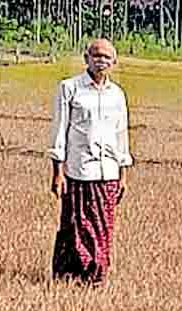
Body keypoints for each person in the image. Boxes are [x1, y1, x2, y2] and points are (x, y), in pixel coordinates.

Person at [47, 38, 133, 284]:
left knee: (102, 227)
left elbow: (121, 135)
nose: (101, 61)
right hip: (78, 170)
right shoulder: (70, 88)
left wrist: (123, 174)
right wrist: (57, 172)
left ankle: (96, 275)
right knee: (76, 225)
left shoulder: (117, 94)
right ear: (86, 59)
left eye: (106, 57)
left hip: (108, 173)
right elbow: (60, 130)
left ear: (114, 62)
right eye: (96, 56)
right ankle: (69, 275)